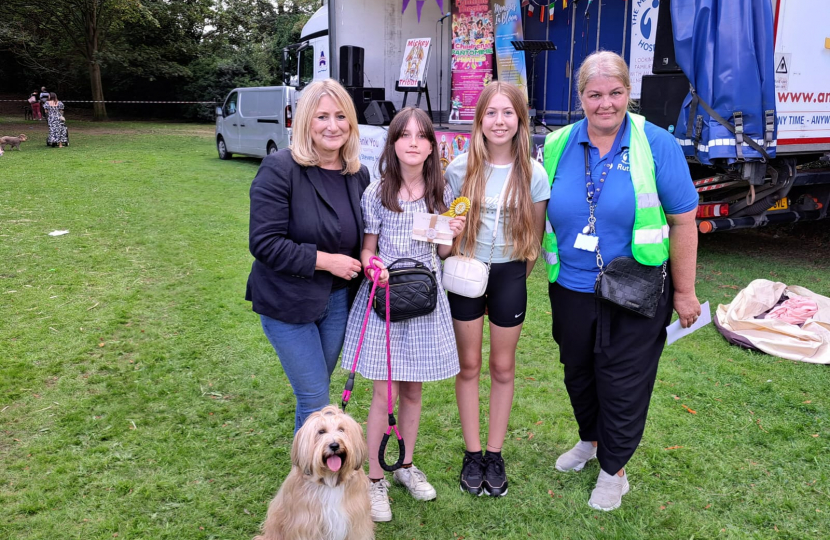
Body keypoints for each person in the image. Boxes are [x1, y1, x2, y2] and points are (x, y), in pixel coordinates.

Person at [542, 51, 700, 511]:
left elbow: (684, 221)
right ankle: (591, 442)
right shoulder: (557, 145)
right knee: (579, 374)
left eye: (615, 93)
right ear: (581, 98)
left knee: (623, 383)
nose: (605, 103)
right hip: (570, 286)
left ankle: (614, 471)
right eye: (594, 94)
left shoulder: (656, 144)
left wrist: (686, 292)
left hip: (635, 290)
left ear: (628, 94)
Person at [340, 107, 465, 522]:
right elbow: (368, 248)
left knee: (414, 391)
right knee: (385, 394)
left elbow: (442, 252)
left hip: (426, 300)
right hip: (386, 300)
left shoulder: (442, 193)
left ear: (432, 145)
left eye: (421, 135)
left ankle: (405, 465)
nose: (413, 142)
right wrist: (371, 264)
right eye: (404, 135)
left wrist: (455, 234)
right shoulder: (377, 193)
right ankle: (374, 478)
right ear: (393, 144)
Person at [444, 81, 550, 498]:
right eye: (492, 113)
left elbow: (533, 245)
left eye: (508, 113)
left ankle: (495, 452)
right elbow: (447, 233)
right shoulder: (458, 169)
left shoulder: (534, 174)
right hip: (465, 273)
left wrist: (510, 278)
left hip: (509, 275)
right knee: (468, 366)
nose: (500, 120)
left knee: (502, 369)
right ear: (480, 120)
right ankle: (473, 455)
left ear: (520, 120)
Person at [246, 78, 370, 433]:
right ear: (306, 122)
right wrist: (327, 260)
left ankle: (310, 474)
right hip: (287, 304)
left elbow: (367, 233)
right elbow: (264, 242)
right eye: (322, 117)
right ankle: (311, 482)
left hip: (336, 303)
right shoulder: (280, 168)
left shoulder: (357, 174)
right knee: (317, 399)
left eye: (341, 116)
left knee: (314, 396)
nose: (333, 126)